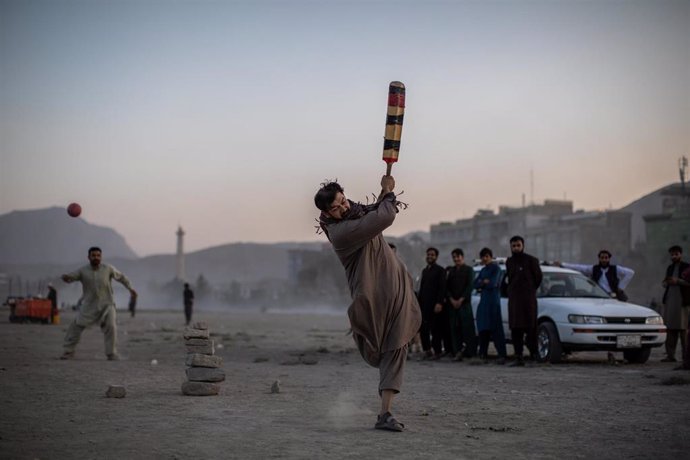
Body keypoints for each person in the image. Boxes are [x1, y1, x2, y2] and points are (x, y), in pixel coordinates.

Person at [314, 176, 421, 432]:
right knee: (384, 347)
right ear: (326, 213)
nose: (343, 208)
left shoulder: (358, 215)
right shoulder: (341, 232)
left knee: (397, 347)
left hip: (396, 290)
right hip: (374, 298)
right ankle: (384, 412)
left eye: (343, 201)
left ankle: (385, 412)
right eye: (336, 208)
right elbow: (384, 217)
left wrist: (384, 192)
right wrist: (388, 194)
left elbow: (374, 213)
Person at [60, 247, 137, 360]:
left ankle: (111, 353)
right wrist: (66, 278)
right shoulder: (83, 271)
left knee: (111, 326)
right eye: (93, 255)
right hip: (89, 305)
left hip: (107, 304)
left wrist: (130, 288)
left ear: (101, 257)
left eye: (98, 255)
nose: (96, 257)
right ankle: (68, 351)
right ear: (89, 257)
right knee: (76, 326)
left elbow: (121, 277)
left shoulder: (108, 268)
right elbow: (72, 276)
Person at [505, 236, 542, 366]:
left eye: (518, 245)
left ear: (523, 245)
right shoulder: (509, 261)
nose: (516, 248)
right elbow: (509, 279)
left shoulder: (531, 260)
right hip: (514, 301)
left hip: (528, 301)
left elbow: (538, 279)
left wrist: (529, 290)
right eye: (513, 246)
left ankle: (534, 355)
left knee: (531, 329)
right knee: (516, 330)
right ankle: (519, 357)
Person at [556, 250, 634, 301]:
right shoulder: (594, 269)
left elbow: (630, 272)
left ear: (609, 259)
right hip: (598, 296)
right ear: (599, 259)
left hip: (613, 296)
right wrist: (563, 264)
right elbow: (579, 267)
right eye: (602, 258)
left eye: (606, 258)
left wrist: (621, 287)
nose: (604, 260)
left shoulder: (615, 269)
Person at [474, 247, 507, 364]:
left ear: (490, 257)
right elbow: (475, 284)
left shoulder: (496, 269)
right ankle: (483, 354)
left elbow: (493, 283)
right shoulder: (483, 271)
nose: (484, 259)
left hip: (493, 303)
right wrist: (483, 282)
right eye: (483, 257)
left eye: (486, 256)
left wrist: (482, 283)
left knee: (496, 329)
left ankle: (502, 355)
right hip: (484, 303)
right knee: (483, 329)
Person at [417, 247, 450, 359]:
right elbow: (422, 288)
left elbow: (442, 288)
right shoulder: (425, 271)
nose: (430, 256)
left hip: (435, 305)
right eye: (428, 254)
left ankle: (437, 352)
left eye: (432, 255)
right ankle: (427, 350)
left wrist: (439, 303)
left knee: (436, 330)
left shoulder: (440, 270)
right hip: (424, 305)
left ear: (436, 257)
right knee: (424, 329)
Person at [445, 248, 476, 360]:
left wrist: (461, 299)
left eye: (458, 256)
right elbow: (446, 287)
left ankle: (471, 352)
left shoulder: (469, 270)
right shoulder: (451, 271)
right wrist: (451, 299)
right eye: (454, 257)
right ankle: (457, 351)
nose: (456, 259)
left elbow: (470, 286)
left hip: (464, 304)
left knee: (467, 329)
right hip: (453, 305)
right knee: (454, 329)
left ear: (462, 257)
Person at [660, 245, 690, 363]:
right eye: (672, 255)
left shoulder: (687, 267)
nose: (674, 256)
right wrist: (666, 282)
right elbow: (665, 282)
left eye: (676, 254)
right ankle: (670, 356)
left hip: (683, 303)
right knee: (670, 330)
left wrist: (677, 281)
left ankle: (686, 357)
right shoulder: (670, 268)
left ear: (681, 254)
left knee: (683, 331)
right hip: (670, 302)